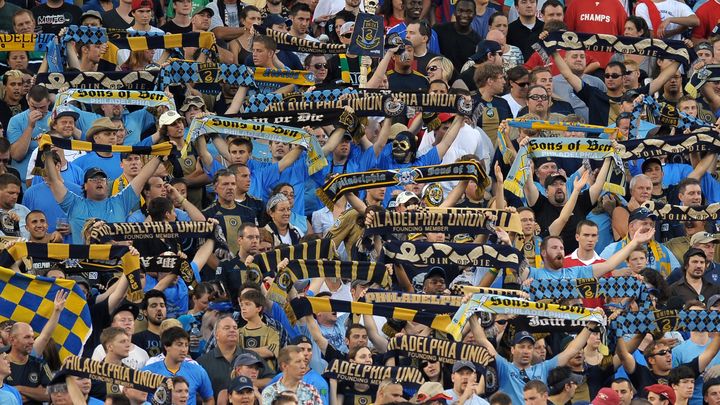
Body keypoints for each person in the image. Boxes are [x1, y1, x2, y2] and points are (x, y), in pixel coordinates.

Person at [133, 327, 214, 405]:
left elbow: (209, 399)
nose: (184, 349)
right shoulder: (148, 372)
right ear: (167, 346)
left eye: (186, 345)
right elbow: (137, 400)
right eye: (179, 345)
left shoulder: (198, 371)